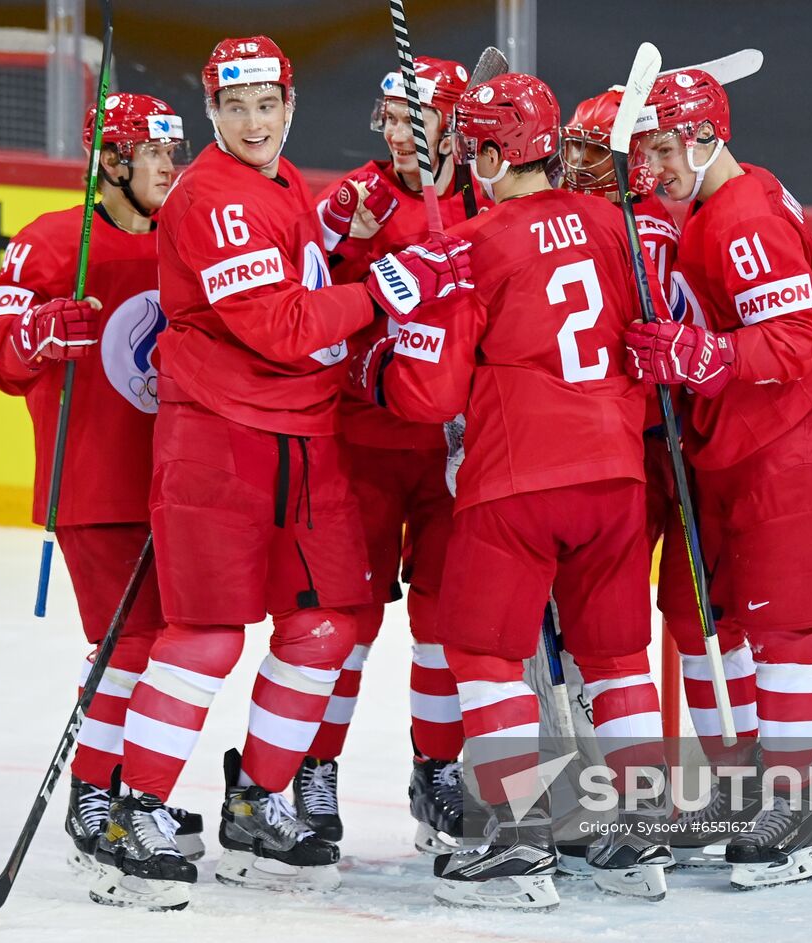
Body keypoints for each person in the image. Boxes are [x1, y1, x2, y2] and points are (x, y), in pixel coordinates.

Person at [90, 35, 473, 907]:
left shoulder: (293, 185)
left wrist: (353, 251)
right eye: (236, 107)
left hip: (304, 440)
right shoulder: (214, 199)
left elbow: (313, 293)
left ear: (290, 107)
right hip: (221, 442)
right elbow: (279, 324)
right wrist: (385, 287)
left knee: (329, 622)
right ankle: (134, 808)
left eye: (269, 105)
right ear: (211, 113)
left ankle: (260, 797)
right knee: (209, 634)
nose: (255, 122)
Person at [347, 72, 671, 910]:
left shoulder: (474, 244)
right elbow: (646, 330)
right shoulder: (614, 223)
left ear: (490, 154)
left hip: (517, 479)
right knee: (615, 655)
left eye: (470, 149)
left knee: (486, 652)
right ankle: (638, 839)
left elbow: (433, 395)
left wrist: (377, 365)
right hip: (616, 476)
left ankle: (517, 842)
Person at [624, 67, 812, 890]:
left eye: (662, 146)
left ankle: (790, 808)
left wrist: (707, 355)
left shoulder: (744, 218)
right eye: (646, 148)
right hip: (728, 443)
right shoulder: (712, 207)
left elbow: (799, 341)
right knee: (699, 617)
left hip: (785, 445)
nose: (652, 166)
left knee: (784, 626)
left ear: (705, 138)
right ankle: (739, 788)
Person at [0, 92, 204, 890]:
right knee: (132, 646)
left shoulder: (187, 236)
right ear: (111, 161)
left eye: (175, 152)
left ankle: (121, 787)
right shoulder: (47, 242)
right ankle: (97, 795)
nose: (171, 168)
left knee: (169, 646)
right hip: (96, 484)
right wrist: (38, 334)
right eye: (154, 154)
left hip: (179, 478)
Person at [561, 85, 763, 869]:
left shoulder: (629, 224)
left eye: (594, 149)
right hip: (650, 443)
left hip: (642, 448)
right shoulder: (644, 218)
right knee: (657, 624)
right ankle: (703, 785)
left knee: (650, 624)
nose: (578, 164)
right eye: (572, 147)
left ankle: (698, 787)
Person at [293, 55, 489, 856]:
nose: (401, 135)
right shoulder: (353, 199)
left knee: (445, 623)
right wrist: (340, 242)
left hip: (456, 454)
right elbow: (302, 304)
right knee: (347, 621)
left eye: (416, 118)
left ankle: (437, 768)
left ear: (453, 123)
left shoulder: (485, 198)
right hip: (364, 443)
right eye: (391, 119)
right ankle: (314, 767)